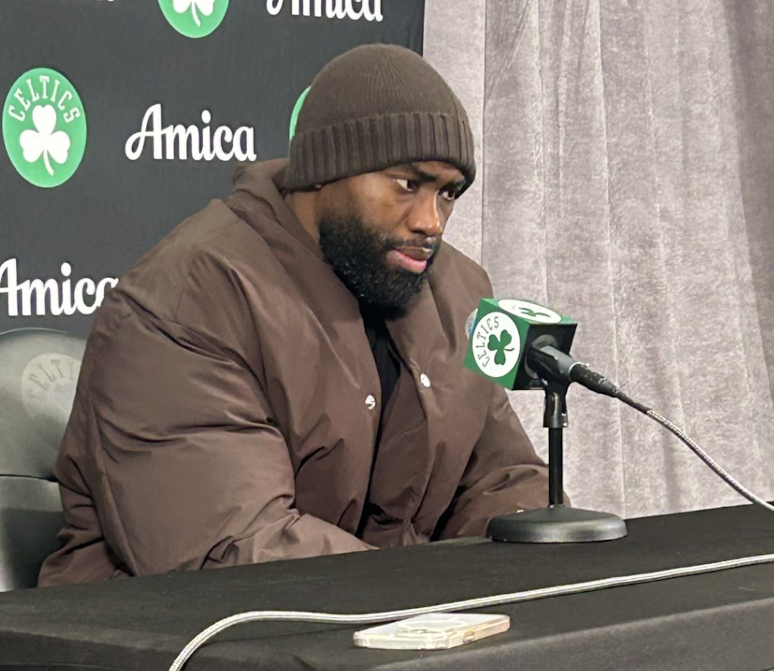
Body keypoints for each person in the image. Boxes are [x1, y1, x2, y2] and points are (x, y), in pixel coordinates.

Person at [38, 44, 550, 585]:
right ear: (326, 171)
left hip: (380, 614)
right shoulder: (189, 299)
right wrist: (428, 593)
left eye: (448, 194)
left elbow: (504, 479)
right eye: (408, 185)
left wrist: (529, 565)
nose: (432, 221)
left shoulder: (456, 291)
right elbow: (233, 549)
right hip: (169, 625)